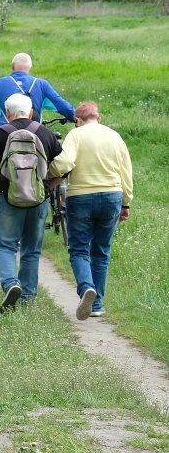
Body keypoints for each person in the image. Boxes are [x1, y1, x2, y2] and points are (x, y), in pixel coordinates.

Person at [0, 93, 64, 312]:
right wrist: (46, 188)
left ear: (7, 113)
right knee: (32, 249)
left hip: (9, 198)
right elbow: (64, 167)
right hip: (38, 201)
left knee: (5, 244)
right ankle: (27, 296)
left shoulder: (1, 133)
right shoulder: (45, 133)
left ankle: (10, 283)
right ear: (32, 111)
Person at [51, 101, 133, 320]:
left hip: (81, 196)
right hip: (112, 196)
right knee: (101, 251)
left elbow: (65, 163)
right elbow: (126, 172)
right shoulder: (115, 136)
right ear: (99, 117)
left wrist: (50, 171)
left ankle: (86, 287)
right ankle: (96, 304)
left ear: (77, 120)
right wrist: (126, 203)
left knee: (78, 249)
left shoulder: (76, 135)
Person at [0, 52, 76, 125]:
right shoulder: (41, 84)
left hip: (6, 133)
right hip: (33, 133)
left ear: (12, 66)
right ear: (30, 68)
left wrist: (0, 124)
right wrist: (78, 118)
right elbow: (63, 106)